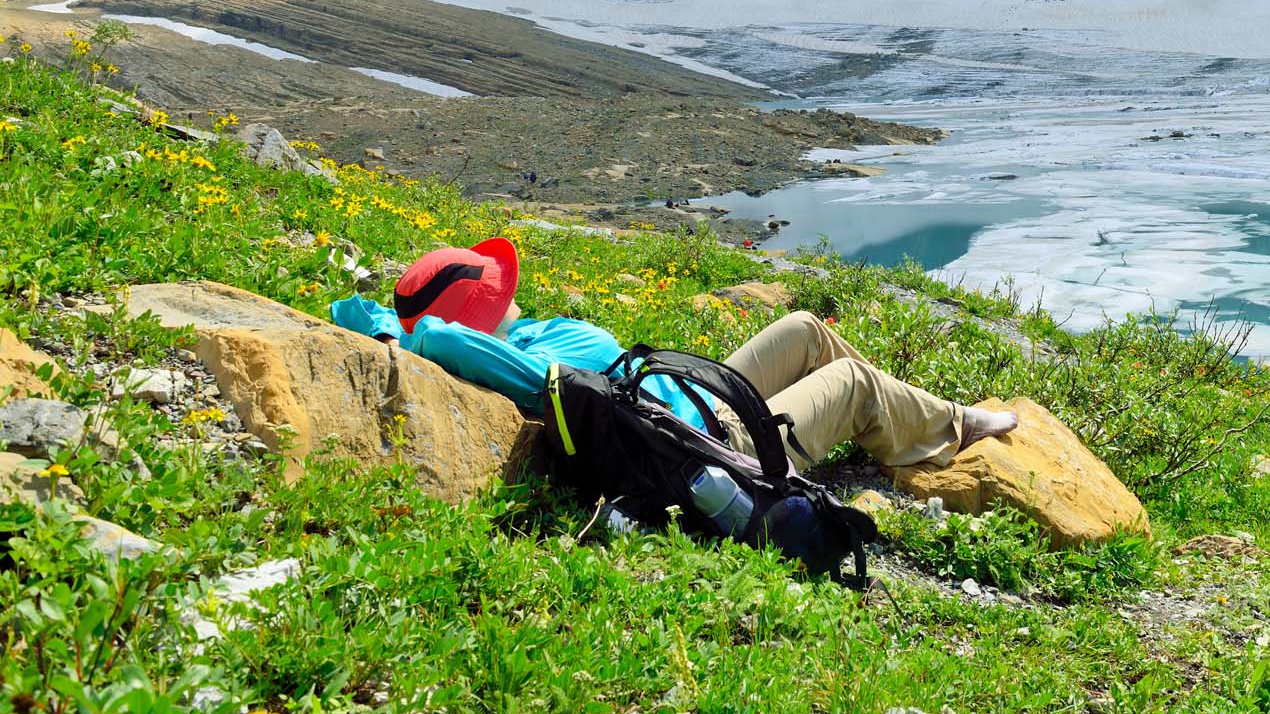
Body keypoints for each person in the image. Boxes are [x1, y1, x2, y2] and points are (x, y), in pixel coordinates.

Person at [329, 237, 1017, 469]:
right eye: (494, 287)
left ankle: (905, 419)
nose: (508, 287)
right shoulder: (509, 357)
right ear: (480, 312)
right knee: (853, 380)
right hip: (719, 440)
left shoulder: (518, 330)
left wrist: (391, 321)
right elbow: (441, 336)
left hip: (704, 392)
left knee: (807, 326)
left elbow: (357, 310)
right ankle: (947, 424)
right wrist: (419, 337)